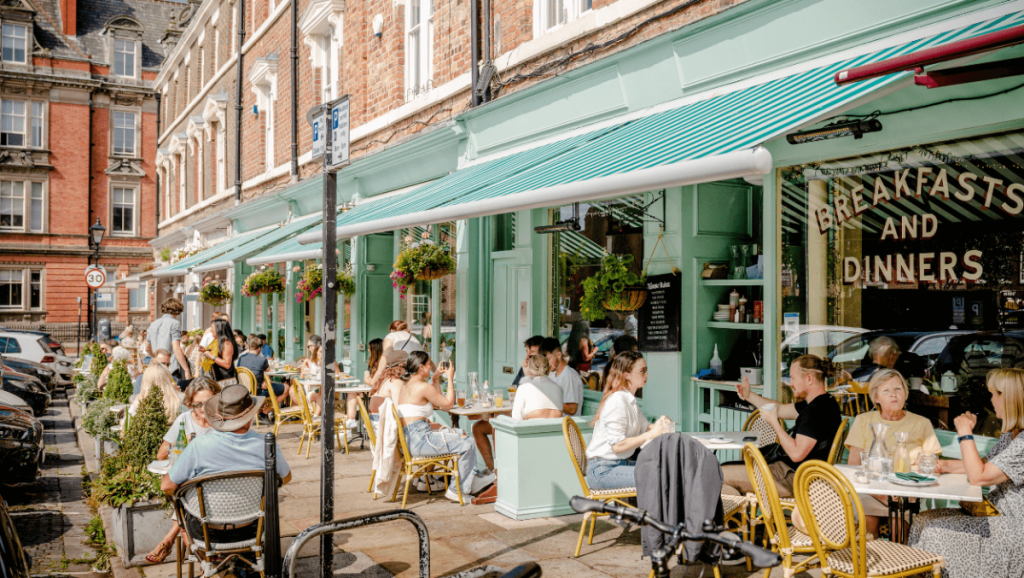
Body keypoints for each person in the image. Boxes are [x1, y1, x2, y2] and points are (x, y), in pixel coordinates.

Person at [909, 368, 1024, 578]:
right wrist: (942, 465)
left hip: (1011, 529)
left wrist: (964, 433)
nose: (991, 399)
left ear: (1010, 398)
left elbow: (979, 476)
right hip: (993, 516)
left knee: (934, 530)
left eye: (995, 394)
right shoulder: (1011, 435)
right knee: (922, 520)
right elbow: (983, 464)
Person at [161, 385, 291, 546]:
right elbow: (285, 477)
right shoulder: (266, 444)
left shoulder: (199, 445)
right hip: (252, 529)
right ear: (250, 417)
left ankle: (204, 558)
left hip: (207, 533)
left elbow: (166, 486)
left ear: (218, 415)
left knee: (183, 507)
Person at [721, 354, 842, 499]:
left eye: (793, 378)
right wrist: (749, 396)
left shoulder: (815, 412)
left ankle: (739, 510)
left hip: (792, 478)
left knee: (719, 475)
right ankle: (740, 510)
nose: (790, 383)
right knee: (722, 472)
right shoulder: (824, 403)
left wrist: (774, 422)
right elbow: (780, 409)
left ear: (809, 379)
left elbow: (796, 454)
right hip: (791, 473)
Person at [844, 369, 942, 537]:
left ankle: (899, 554)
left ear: (905, 393)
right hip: (870, 490)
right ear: (876, 398)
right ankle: (868, 554)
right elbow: (853, 467)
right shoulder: (863, 421)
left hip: (906, 492)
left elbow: (933, 466)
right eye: (886, 391)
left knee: (899, 524)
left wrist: (910, 490)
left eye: (898, 389)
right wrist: (881, 495)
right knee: (868, 519)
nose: (893, 394)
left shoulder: (921, 423)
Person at [395, 351, 495, 502]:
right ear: (421, 367)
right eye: (429, 364)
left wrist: (435, 378)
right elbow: (447, 403)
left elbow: (437, 401)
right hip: (420, 441)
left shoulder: (406, 386)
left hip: (411, 440)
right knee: (467, 442)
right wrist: (450, 378)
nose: (431, 367)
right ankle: (456, 490)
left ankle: (472, 479)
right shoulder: (422, 387)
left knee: (461, 433)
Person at [146, 377, 221, 564]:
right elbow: (161, 454)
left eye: (208, 403)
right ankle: (206, 564)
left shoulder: (223, 422)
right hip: (191, 483)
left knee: (182, 503)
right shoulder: (185, 420)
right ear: (190, 403)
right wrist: (182, 445)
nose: (203, 409)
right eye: (197, 404)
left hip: (216, 483)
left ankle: (169, 539)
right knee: (184, 496)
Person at [585, 351, 672, 490]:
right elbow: (618, 446)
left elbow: (646, 427)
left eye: (646, 370)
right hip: (603, 471)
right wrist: (652, 434)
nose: (647, 375)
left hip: (619, 465)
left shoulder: (629, 400)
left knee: (667, 470)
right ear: (626, 374)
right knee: (661, 476)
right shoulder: (617, 401)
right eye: (642, 371)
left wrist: (661, 425)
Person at [147, 298, 191, 381]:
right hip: (170, 367)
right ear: (177, 310)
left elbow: (147, 348)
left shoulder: (153, 324)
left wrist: (155, 356)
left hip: (156, 367)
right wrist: (186, 369)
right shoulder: (175, 323)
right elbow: (176, 348)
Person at [511, 354, 563, 421]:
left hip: (531, 427)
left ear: (530, 372)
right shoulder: (558, 389)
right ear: (549, 370)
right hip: (555, 427)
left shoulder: (523, 388)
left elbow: (515, 419)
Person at [540, 337, 583, 416]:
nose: (547, 364)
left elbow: (572, 409)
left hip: (566, 423)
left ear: (559, 355)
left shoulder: (570, 376)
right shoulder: (552, 374)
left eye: (549, 360)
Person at [200, 318, 238, 383]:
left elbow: (227, 364)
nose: (211, 330)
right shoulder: (216, 342)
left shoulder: (226, 343)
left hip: (226, 382)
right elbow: (218, 355)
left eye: (212, 328)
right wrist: (205, 351)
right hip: (218, 380)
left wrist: (211, 356)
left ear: (219, 329)